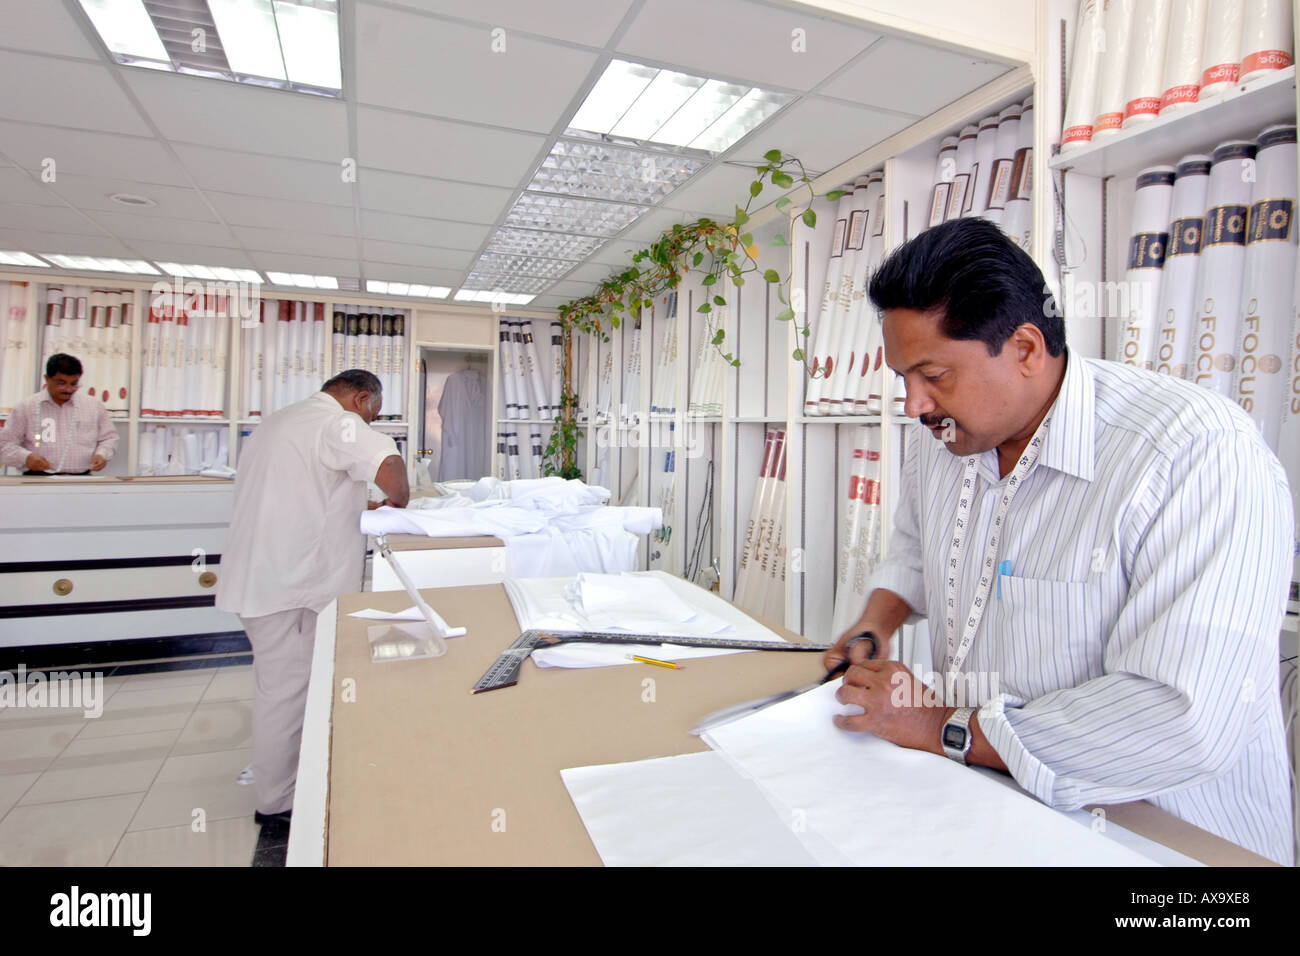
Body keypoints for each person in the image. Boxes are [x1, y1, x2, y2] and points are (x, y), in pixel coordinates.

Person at [824, 217, 1294, 865]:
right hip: (994, 803)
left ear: (1024, 348)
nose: (913, 405)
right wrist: (874, 623)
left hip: (1171, 842)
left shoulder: (1197, 455)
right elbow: (914, 548)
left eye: (932, 374)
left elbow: (1183, 719)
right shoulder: (942, 441)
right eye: (903, 377)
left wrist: (942, 727)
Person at [216, 369, 410, 826]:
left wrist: (361, 507)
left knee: (279, 686)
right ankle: (278, 802)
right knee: (286, 692)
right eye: (373, 413)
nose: (368, 421)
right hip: (292, 585)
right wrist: (397, 504)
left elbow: (306, 493)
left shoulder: (278, 422)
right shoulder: (338, 423)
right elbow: (391, 470)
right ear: (361, 399)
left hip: (261, 577)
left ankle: (287, 778)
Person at [0, 353, 118, 475]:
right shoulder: (26, 407)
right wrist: (26, 457)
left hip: (81, 480)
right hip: (37, 480)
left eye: (74, 384)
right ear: (47, 379)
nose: (68, 389)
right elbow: (5, 444)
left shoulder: (93, 406)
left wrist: (102, 454)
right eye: (61, 383)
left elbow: (109, 438)